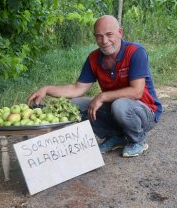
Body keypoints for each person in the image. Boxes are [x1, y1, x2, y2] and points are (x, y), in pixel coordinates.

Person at [27, 15, 162, 157]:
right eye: (99, 36)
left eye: (109, 34)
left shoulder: (135, 52)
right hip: (117, 109)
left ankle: (138, 140)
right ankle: (116, 136)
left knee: (119, 105)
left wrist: (102, 96)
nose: (104, 41)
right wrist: (46, 89)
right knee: (74, 105)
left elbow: (136, 92)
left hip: (146, 113)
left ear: (120, 33)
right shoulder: (94, 58)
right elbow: (77, 89)